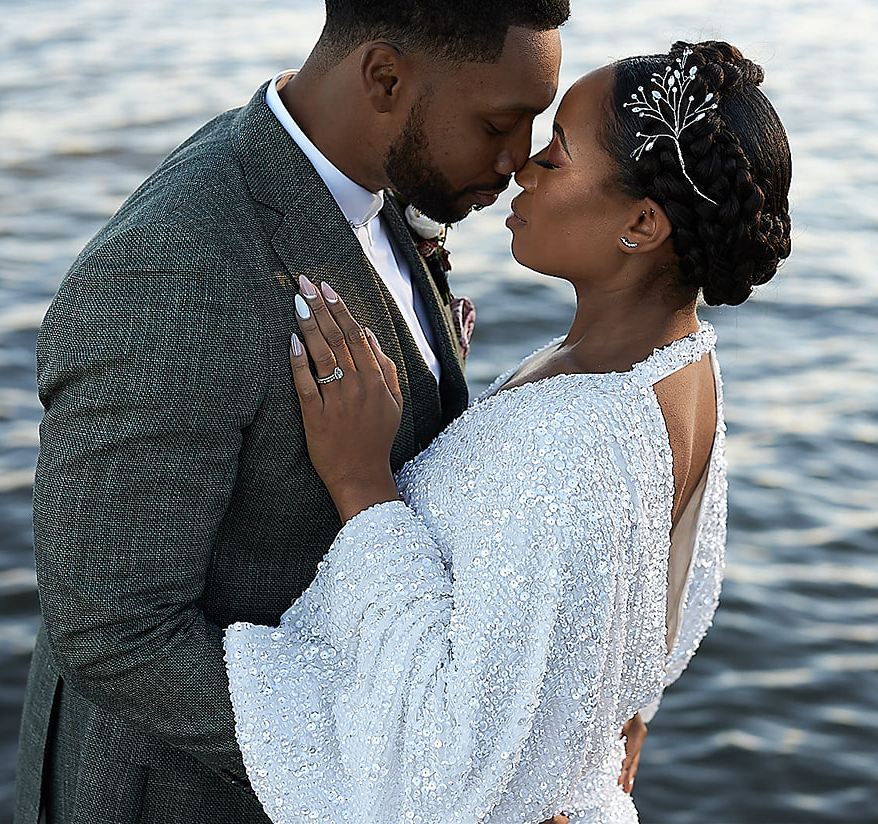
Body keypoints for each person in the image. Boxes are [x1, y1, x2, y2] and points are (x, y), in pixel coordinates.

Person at [14, 0, 570, 824]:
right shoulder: (178, 269)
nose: (520, 159)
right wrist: (382, 762)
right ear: (384, 77)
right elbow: (111, 627)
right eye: (498, 124)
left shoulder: (362, 181)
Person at [224, 40, 793, 822]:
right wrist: (614, 710)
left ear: (641, 221)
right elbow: (661, 600)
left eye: (557, 153)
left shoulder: (575, 437)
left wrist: (361, 483)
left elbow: (446, 766)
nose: (524, 167)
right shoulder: (682, 367)